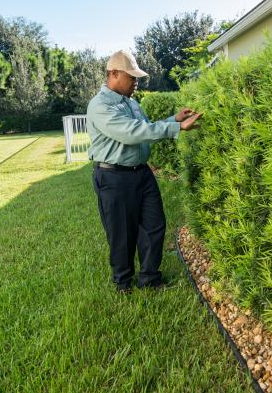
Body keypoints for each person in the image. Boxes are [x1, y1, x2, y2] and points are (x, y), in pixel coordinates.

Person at [86, 49, 201, 294]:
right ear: (114, 74)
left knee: (154, 224)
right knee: (121, 233)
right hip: (114, 177)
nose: (136, 82)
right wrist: (177, 127)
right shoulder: (100, 105)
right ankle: (123, 282)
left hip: (142, 174)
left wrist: (173, 119)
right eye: (132, 77)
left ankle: (149, 278)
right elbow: (131, 133)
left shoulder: (131, 103)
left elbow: (145, 128)